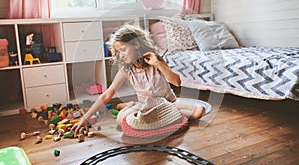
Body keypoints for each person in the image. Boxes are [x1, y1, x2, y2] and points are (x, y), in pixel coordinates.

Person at [71, 24, 209, 135]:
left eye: (124, 49)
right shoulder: (127, 70)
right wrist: (85, 117)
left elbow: (176, 82)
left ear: (136, 45)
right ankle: (130, 106)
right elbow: (108, 94)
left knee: (199, 111)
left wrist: (158, 64)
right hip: (144, 106)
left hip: (169, 103)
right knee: (120, 120)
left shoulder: (156, 60)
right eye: (118, 52)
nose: (121, 55)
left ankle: (156, 114)